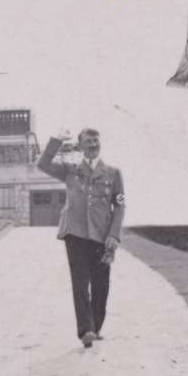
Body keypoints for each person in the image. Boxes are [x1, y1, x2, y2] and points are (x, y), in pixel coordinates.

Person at [37, 127, 125, 348]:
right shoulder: (70, 171)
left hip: (102, 236)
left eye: (96, 141)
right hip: (75, 234)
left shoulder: (113, 173)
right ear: (80, 146)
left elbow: (120, 207)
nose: (93, 145)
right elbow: (43, 164)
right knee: (80, 283)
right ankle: (85, 330)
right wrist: (56, 140)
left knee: (101, 286)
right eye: (88, 142)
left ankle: (95, 327)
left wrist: (113, 236)